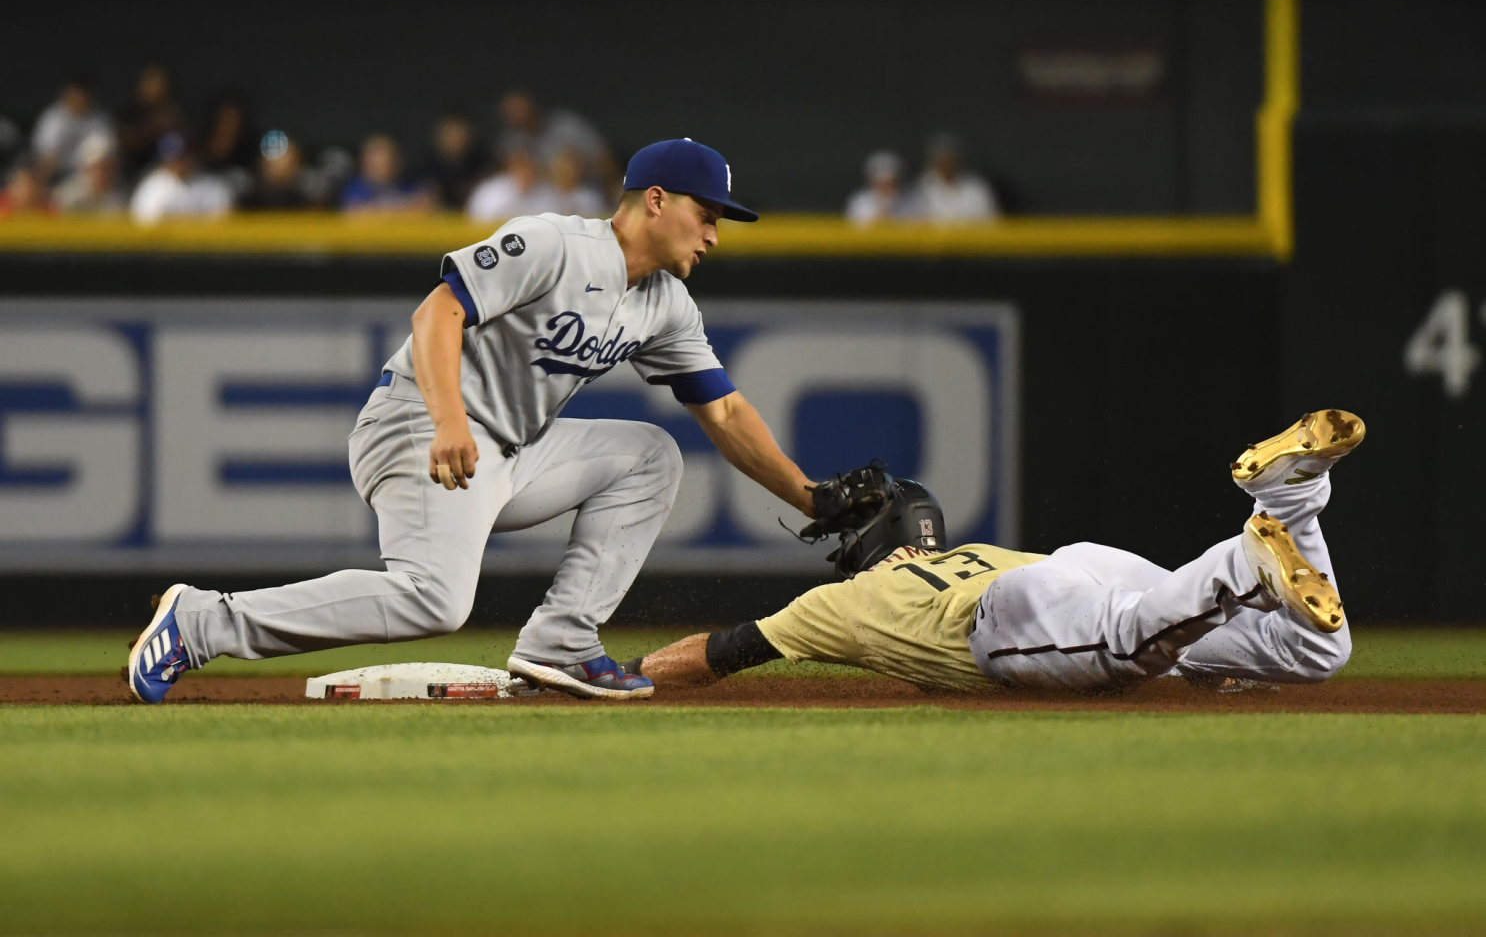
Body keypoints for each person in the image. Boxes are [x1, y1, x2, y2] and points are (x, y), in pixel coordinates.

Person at [128, 138, 830, 705]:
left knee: (650, 454)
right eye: (707, 214)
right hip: (417, 425)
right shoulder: (554, 243)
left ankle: (561, 640)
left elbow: (727, 411)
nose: (714, 234)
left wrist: (810, 500)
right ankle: (201, 621)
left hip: (510, 451)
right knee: (435, 599)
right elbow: (438, 312)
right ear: (655, 200)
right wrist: (448, 418)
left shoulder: (666, 305)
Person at [629, 410, 1362, 696]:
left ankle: (1244, 562)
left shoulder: (842, 604)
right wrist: (1215, 669)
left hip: (1003, 617)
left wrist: (630, 675)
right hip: (1066, 568)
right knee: (1313, 651)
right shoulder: (967, 549)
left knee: (1126, 641)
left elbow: (720, 652)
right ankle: (1289, 501)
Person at [496, 90, 616, 193]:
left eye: (521, 111)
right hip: (541, 197)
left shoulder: (565, 126)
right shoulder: (512, 139)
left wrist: (609, 184)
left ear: (533, 108)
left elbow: (603, 158)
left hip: (583, 187)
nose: (519, 117)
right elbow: (505, 172)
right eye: (513, 114)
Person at [129, 131, 234, 224]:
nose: (179, 163)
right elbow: (144, 225)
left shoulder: (213, 186)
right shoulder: (153, 187)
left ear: (192, 156)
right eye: (174, 158)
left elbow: (222, 222)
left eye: (183, 157)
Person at [30, 75, 114, 183]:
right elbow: (46, 156)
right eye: (74, 96)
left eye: (82, 97)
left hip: (86, 175)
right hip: (56, 173)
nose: (78, 101)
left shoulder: (99, 121)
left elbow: (104, 156)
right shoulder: (53, 118)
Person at [116, 64, 185, 177]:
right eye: (153, 83)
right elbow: (125, 145)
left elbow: (184, 144)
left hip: (166, 172)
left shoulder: (172, 111)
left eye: (161, 83)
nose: (158, 88)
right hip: (134, 172)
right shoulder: (130, 113)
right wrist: (153, 126)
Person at [915, 133, 998, 223]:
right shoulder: (920, 189)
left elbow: (993, 221)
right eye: (940, 159)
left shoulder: (976, 188)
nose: (945, 164)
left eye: (949, 159)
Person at [340, 134, 433, 212]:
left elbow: (427, 206)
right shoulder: (354, 188)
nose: (388, 162)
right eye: (380, 157)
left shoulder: (411, 184)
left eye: (391, 157)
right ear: (366, 161)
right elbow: (356, 213)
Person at [465, 147, 556, 223]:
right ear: (510, 168)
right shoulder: (491, 192)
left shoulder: (545, 193)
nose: (526, 172)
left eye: (530, 167)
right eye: (521, 166)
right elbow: (478, 222)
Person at [422, 109, 487, 210]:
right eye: (450, 131)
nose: (455, 137)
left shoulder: (482, 162)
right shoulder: (427, 166)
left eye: (459, 130)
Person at [240, 131, 317, 210]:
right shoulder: (248, 197)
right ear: (262, 163)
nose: (279, 164)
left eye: (287, 161)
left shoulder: (308, 198)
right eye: (273, 160)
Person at [53, 132, 127, 213]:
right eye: (97, 167)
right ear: (85, 168)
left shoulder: (121, 200)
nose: (102, 173)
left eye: (107, 168)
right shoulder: (67, 197)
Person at [845, 150, 921, 225]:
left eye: (891, 182)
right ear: (871, 180)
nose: (886, 187)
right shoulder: (860, 201)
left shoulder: (910, 201)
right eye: (881, 183)